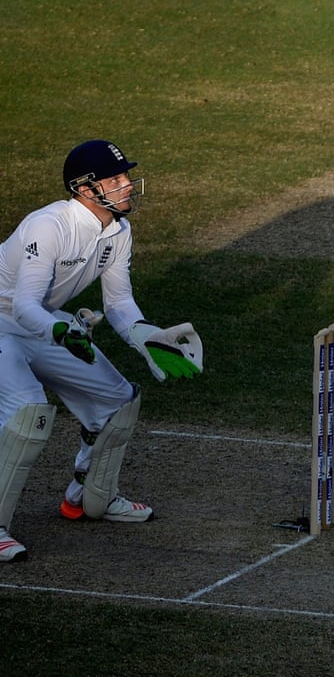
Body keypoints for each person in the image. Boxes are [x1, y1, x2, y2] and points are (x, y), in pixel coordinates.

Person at [0, 140, 203, 563]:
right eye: (115, 179)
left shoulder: (117, 230)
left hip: (45, 326)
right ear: (85, 189)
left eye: (126, 176)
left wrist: (148, 337)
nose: (128, 184)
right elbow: (23, 304)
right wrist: (60, 330)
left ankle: (90, 498)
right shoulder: (49, 226)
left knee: (118, 400)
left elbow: (119, 305)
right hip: (10, 323)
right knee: (27, 415)